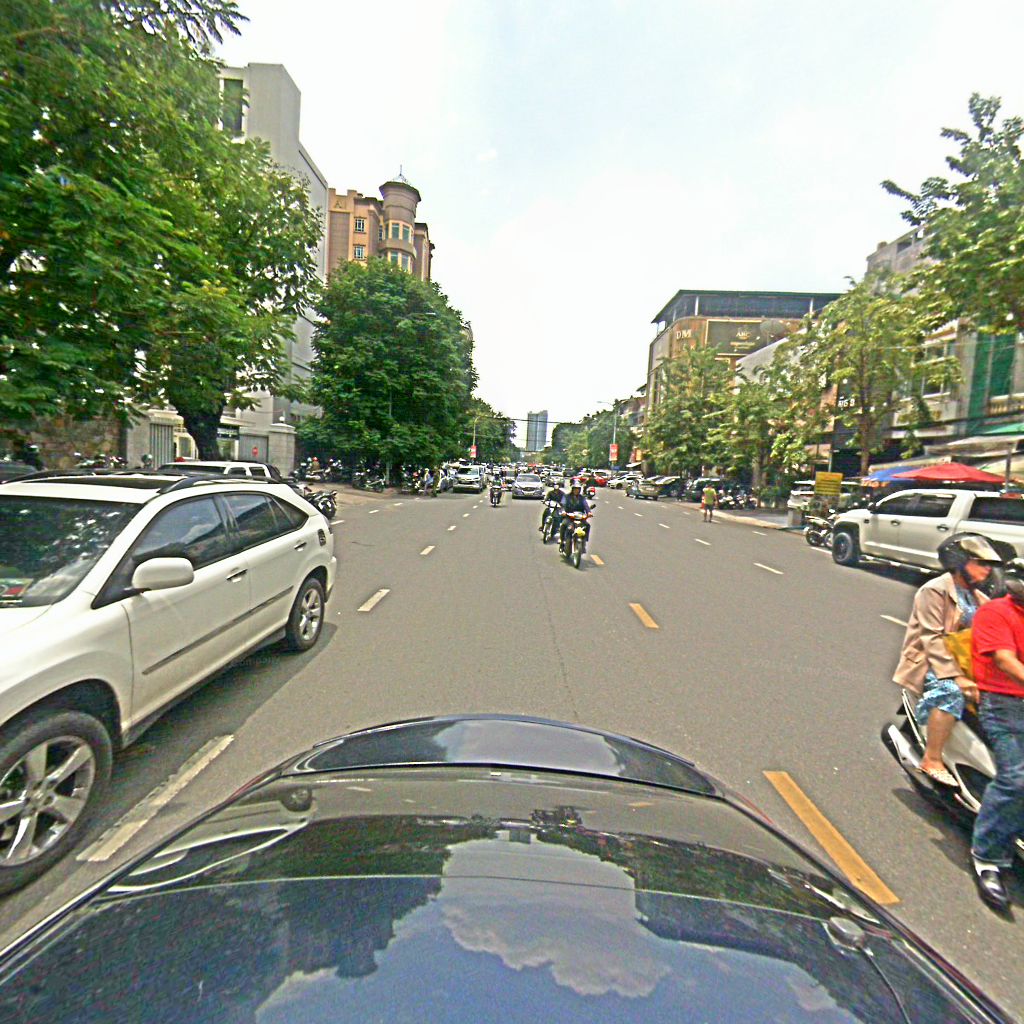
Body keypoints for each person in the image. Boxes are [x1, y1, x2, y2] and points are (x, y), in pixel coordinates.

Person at [893, 535, 998, 788]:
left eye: (989, 565)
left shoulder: (980, 599)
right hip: (930, 663)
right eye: (981, 563)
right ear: (959, 561)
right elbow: (931, 638)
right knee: (951, 691)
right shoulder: (935, 590)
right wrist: (956, 677)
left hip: (966, 665)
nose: (987, 569)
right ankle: (932, 758)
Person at [968, 557, 1024, 911]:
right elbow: (1005, 660)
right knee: (1017, 780)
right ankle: (988, 857)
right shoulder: (996, 613)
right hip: (1004, 704)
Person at [559, 481, 591, 552]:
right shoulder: (566, 496)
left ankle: (584, 542)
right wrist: (563, 511)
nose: (576, 490)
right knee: (563, 525)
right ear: (572, 489)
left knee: (587, 526)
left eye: (578, 489)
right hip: (569, 517)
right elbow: (563, 505)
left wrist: (589, 512)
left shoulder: (582, 498)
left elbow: (586, 506)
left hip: (580, 517)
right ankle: (562, 542)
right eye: (575, 489)